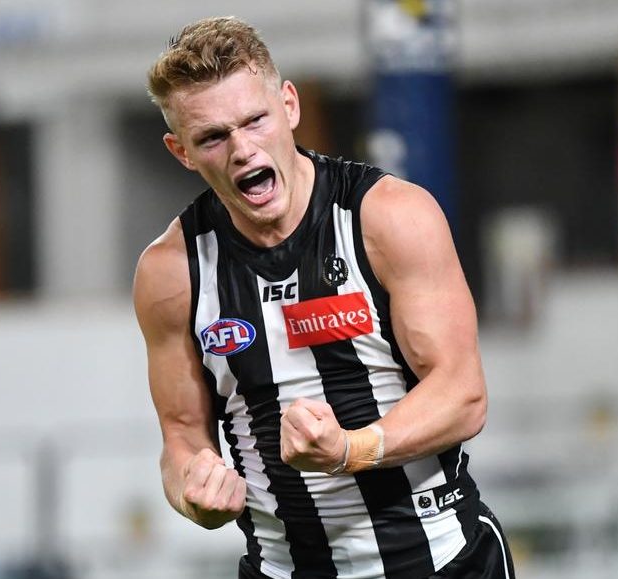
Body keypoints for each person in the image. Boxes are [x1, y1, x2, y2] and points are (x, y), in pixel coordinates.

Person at [133, 15, 515, 579]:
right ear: (181, 151)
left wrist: (349, 451)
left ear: (289, 106)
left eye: (255, 121)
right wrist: (196, 495)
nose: (242, 149)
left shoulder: (389, 217)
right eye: (213, 137)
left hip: (441, 560)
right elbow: (182, 437)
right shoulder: (170, 272)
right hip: (284, 568)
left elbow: (462, 394)